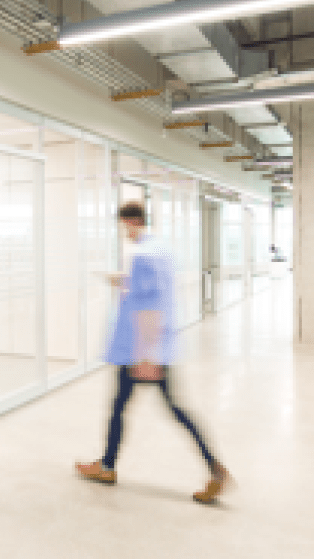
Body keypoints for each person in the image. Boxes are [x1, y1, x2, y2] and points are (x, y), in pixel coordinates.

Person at [75, 201, 231, 504]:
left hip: (141, 351)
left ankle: (213, 469)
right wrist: (119, 279)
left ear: (131, 222)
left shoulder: (143, 256)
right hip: (155, 348)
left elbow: (149, 307)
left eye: (124, 227)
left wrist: (146, 356)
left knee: (151, 409)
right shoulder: (160, 249)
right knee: (127, 406)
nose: (124, 233)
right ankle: (108, 465)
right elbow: (150, 290)